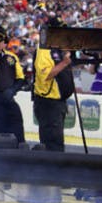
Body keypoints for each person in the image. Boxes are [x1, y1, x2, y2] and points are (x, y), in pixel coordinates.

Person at [32, 16, 75, 151]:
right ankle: (51, 170)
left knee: (56, 141)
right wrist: (64, 63)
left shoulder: (57, 49)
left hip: (57, 102)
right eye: (58, 31)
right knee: (52, 143)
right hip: (48, 103)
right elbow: (46, 75)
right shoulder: (44, 49)